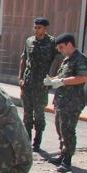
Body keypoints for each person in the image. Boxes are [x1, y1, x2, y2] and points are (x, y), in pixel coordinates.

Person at [44, 33, 87, 173]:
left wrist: (62, 81)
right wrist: (52, 80)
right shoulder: (67, 59)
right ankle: (62, 154)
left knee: (68, 131)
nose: (60, 50)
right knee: (60, 129)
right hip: (62, 100)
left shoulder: (81, 59)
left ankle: (67, 160)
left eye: (61, 47)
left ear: (70, 44)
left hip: (73, 102)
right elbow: (62, 76)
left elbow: (83, 78)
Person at [18, 17, 59, 151]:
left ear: (45, 28)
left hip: (42, 83)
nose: (36, 30)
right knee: (27, 113)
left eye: (39, 27)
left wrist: (51, 78)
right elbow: (24, 59)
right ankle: (27, 140)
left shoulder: (52, 42)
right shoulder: (29, 41)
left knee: (39, 113)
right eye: (35, 27)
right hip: (28, 81)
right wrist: (20, 77)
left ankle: (37, 141)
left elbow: (57, 60)